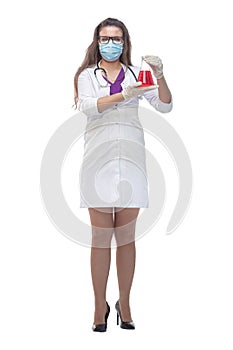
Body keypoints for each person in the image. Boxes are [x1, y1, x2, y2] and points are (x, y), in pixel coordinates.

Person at [73, 17, 173, 332]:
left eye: (117, 38)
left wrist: (159, 76)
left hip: (131, 162)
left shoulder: (136, 75)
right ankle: (99, 306)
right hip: (98, 163)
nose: (111, 43)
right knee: (101, 239)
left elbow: (165, 105)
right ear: (97, 41)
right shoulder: (87, 75)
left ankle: (125, 303)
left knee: (127, 238)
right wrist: (125, 95)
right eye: (106, 38)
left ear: (125, 43)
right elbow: (90, 107)